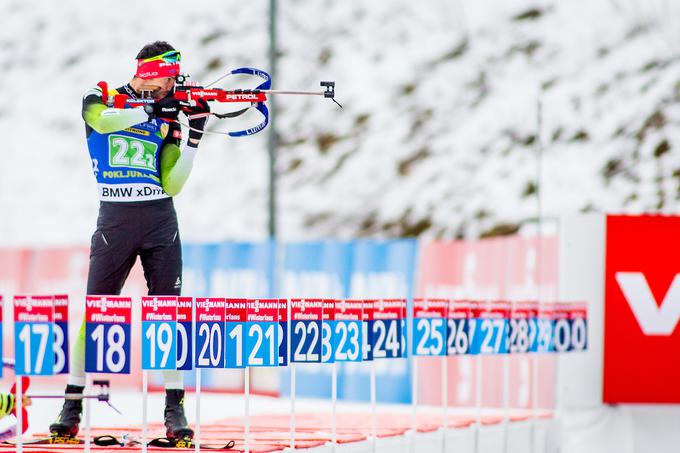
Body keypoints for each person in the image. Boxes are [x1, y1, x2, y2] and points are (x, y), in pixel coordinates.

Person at [49, 41, 209, 441]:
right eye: (170, 77)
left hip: (159, 220)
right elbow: (100, 121)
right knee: (96, 311)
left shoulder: (170, 113)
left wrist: (192, 140)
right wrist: (149, 110)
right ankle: (72, 405)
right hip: (115, 219)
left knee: (168, 316)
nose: (174, 85)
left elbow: (172, 183)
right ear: (153, 72)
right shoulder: (103, 93)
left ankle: (175, 409)